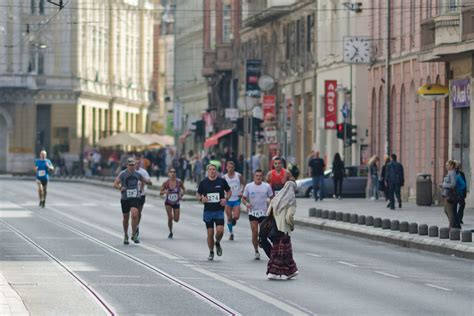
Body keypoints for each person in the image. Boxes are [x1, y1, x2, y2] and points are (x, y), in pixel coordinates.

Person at [197, 164, 231, 260]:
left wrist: (226, 199)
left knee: (220, 231)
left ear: (216, 171)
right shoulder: (203, 183)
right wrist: (201, 199)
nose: (212, 171)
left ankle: (218, 242)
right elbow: (198, 194)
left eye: (214, 169)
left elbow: (229, 191)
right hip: (208, 211)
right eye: (210, 169)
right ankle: (211, 252)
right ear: (207, 171)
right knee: (210, 234)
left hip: (219, 210)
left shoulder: (221, 181)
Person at [265, 181, 298, 280]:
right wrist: (292, 226)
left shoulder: (276, 198)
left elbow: (268, 213)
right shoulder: (291, 200)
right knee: (284, 253)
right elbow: (288, 217)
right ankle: (284, 273)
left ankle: (273, 272)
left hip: (274, 230)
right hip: (284, 230)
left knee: (275, 252)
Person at [242, 169, 274, 260]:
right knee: (255, 232)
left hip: (263, 213)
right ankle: (256, 250)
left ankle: (261, 240)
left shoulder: (267, 186)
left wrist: (271, 207)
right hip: (253, 212)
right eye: (257, 176)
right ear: (254, 177)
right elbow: (243, 199)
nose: (258, 177)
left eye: (260, 176)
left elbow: (272, 198)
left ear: (262, 177)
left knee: (263, 233)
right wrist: (246, 204)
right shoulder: (249, 186)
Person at [114, 157, 144, 245]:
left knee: (135, 214)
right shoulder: (123, 174)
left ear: (135, 165)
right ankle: (126, 235)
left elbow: (142, 181)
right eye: (130, 165)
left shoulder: (138, 174)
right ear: (127, 165)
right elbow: (115, 183)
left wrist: (140, 190)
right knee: (126, 217)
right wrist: (120, 187)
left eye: (133, 165)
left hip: (135, 196)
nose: (131, 166)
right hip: (125, 198)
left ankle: (134, 234)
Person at [160, 167, 185, 238]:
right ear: (168, 173)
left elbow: (183, 189)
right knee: (170, 217)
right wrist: (165, 191)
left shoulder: (179, 182)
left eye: (174, 172)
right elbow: (160, 192)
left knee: (176, 220)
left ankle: (173, 217)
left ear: (176, 173)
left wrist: (181, 194)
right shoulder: (166, 183)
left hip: (176, 202)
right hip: (168, 202)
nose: (172, 173)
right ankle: (170, 231)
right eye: (171, 172)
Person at [223, 161, 245, 241]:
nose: (230, 169)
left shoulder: (238, 175)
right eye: (229, 167)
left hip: (236, 199)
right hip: (228, 200)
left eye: (232, 167)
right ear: (226, 168)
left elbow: (243, 183)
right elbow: (221, 187)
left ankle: (234, 219)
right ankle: (231, 233)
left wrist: (241, 191)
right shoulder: (224, 177)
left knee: (236, 216)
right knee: (229, 218)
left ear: (234, 168)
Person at [134, 157, 153, 239]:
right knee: (134, 212)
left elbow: (150, 182)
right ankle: (134, 227)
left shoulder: (143, 172)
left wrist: (144, 180)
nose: (137, 165)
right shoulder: (131, 172)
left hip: (141, 194)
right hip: (133, 195)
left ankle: (137, 226)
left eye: (139, 163)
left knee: (139, 212)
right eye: (136, 163)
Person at [441, 160, 460, 229]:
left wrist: (444, 185)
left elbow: (453, 184)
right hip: (447, 194)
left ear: (451, 166)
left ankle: (452, 226)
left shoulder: (452, 173)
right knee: (446, 210)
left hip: (450, 195)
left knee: (450, 211)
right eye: (446, 165)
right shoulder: (450, 173)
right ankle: (452, 224)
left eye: (447, 165)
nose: (446, 166)